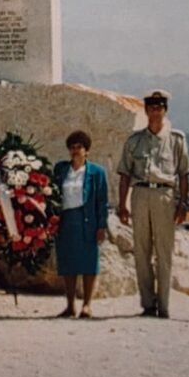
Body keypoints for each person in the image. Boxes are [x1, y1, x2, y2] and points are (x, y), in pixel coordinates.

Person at [116, 89, 189, 319]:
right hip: (140, 194)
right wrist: (122, 204)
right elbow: (125, 174)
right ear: (146, 110)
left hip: (164, 196)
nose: (155, 111)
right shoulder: (134, 141)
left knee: (164, 252)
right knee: (141, 251)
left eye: (159, 107)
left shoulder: (176, 139)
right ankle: (148, 304)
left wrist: (183, 204)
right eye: (151, 107)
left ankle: (164, 306)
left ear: (165, 110)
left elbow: (184, 174)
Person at [53, 130, 109, 319]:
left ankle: (87, 304)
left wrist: (101, 226)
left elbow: (102, 201)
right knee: (68, 263)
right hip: (66, 220)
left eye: (79, 147)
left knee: (88, 263)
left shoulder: (97, 172)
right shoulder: (61, 169)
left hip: (87, 220)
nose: (75, 151)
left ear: (87, 150)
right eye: (72, 147)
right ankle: (70, 305)